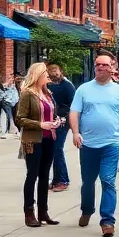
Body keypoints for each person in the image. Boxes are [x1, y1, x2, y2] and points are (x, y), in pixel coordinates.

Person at [70, 52, 119, 237]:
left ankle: (107, 221)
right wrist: (75, 132)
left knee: (108, 181)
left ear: (112, 67)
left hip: (111, 144)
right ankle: (87, 210)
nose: (100, 67)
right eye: (97, 64)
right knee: (88, 182)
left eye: (104, 65)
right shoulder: (83, 89)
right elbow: (74, 112)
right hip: (88, 145)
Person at [16, 63, 65, 228]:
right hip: (33, 140)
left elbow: (51, 113)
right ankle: (29, 212)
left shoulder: (48, 93)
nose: (48, 75)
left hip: (50, 138)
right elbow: (20, 119)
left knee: (45, 176)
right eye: (45, 72)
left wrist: (56, 121)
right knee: (32, 175)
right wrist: (40, 124)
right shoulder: (28, 93)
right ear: (37, 75)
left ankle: (43, 211)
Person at [47, 62, 76, 193]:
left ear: (61, 71)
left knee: (57, 149)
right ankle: (56, 180)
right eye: (50, 70)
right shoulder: (48, 85)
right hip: (51, 122)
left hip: (63, 121)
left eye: (55, 69)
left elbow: (73, 105)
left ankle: (63, 180)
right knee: (53, 150)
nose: (53, 72)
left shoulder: (67, 85)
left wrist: (63, 117)